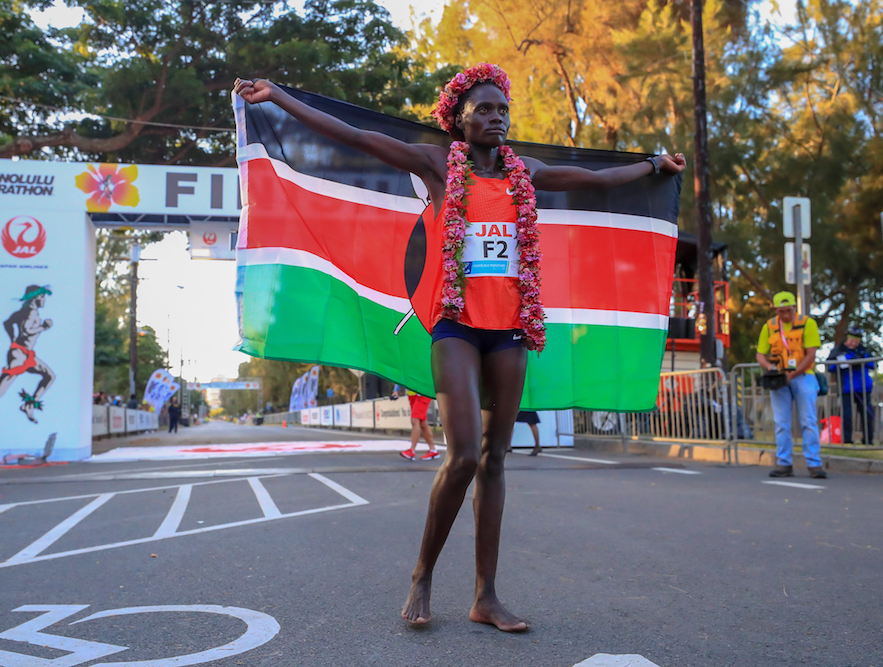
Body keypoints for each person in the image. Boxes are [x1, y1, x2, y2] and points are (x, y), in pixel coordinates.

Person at [235, 64, 684, 632]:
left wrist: (652, 165)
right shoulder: (436, 166)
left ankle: (486, 597)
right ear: (459, 119)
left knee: (497, 460)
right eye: (484, 109)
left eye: (502, 109)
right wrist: (279, 96)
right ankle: (422, 575)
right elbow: (355, 136)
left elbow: (592, 181)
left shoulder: (527, 173)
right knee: (466, 454)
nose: (497, 117)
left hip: (510, 331)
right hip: (456, 327)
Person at [0, 285, 55, 442]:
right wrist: (44, 327)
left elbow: (7, 323)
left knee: (48, 376)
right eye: (42, 297)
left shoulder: (21, 312)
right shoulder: (31, 312)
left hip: (25, 354)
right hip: (19, 356)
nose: (44, 300)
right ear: (36, 297)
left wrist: (12, 339)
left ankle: (29, 405)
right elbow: (26, 330)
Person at [755, 291, 826, 479]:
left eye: (788, 310)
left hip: (804, 376)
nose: (785, 315)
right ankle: (784, 463)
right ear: (776, 310)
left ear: (794, 307)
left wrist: (793, 374)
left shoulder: (807, 323)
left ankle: (814, 463)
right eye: (781, 311)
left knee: (809, 421)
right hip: (779, 378)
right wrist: (770, 367)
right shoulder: (769, 326)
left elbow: (811, 354)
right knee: (781, 423)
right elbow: (760, 354)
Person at [827, 327, 875, 445]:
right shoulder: (839, 350)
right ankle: (847, 440)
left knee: (867, 414)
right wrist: (848, 361)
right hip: (846, 388)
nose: (854, 342)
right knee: (847, 415)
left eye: (857, 340)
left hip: (863, 388)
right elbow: (830, 366)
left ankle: (868, 440)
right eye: (852, 339)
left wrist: (860, 360)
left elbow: (872, 364)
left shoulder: (864, 350)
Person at [392, 385, 440, 461]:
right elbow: (402, 374)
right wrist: (396, 391)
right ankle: (433, 450)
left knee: (415, 420)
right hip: (412, 395)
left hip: (423, 393)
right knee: (423, 423)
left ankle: (412, 450)